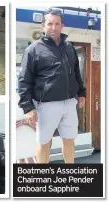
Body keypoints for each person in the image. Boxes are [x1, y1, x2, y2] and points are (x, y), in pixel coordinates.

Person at [18, 8, 86, 164]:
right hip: (46, 105)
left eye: (57, 24)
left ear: (62, 25)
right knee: (44, 142)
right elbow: (23, 80)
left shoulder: (69, 47)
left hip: (69, 103)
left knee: (69, 139)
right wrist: (28, 107)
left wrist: (81, 93)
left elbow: (76, 73)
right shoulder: (33, 50)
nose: (53, 27)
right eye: (50, 23)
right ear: (43, 26)